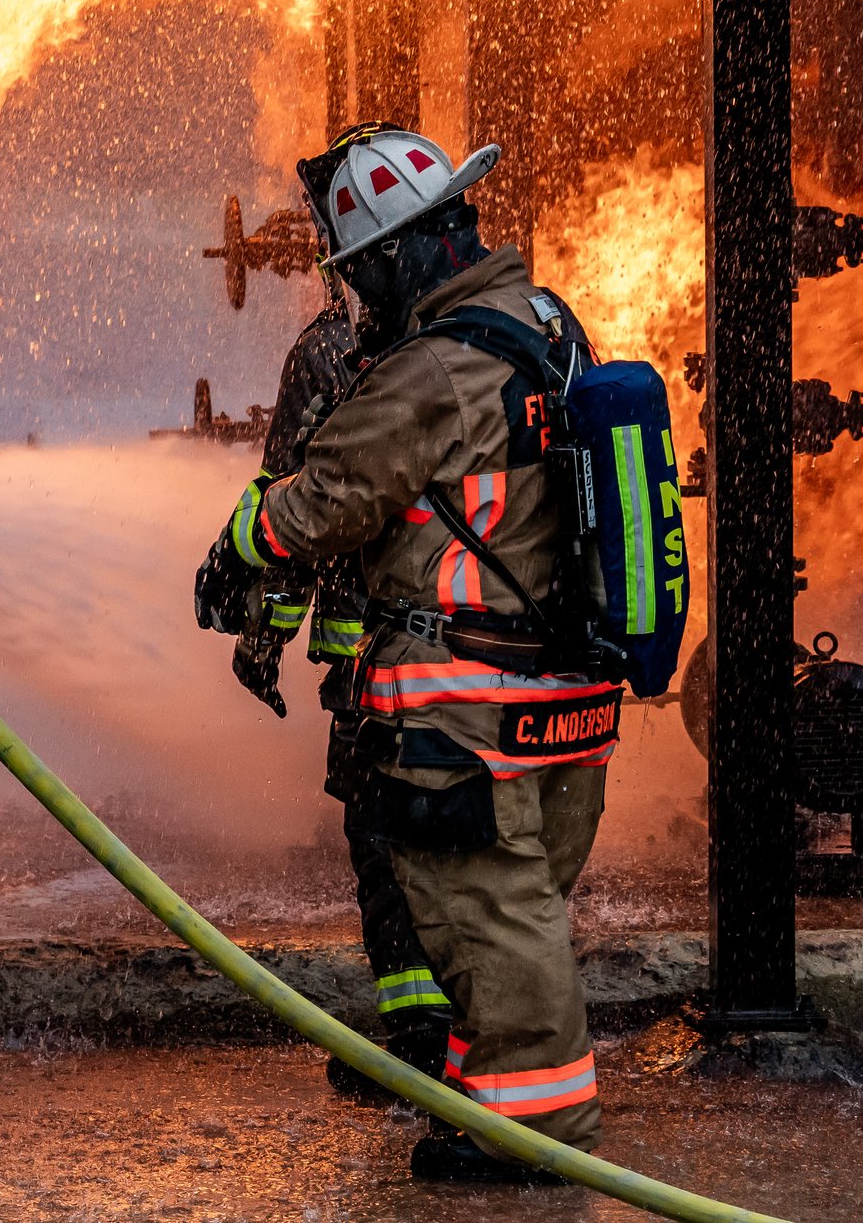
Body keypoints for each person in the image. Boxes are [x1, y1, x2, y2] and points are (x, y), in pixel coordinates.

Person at [198, 128, 615, 1186]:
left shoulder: (430, 367)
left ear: (393, 254)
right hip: (565, 692)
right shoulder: (549, 327)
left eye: (358, 273)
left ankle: (536, 1131)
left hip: (466, 700)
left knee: (487, 905)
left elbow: (328, 492)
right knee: (512, 907)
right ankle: (486, 1100)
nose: (353, 298)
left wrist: (240, 545)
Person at [200, 124, 452, 1099]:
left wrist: (260, 635)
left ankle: (423, 1041)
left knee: (386, 848)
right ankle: (465, 1039)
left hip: (378, 672)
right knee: (463, 844)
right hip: (483, 660)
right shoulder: (499, 340)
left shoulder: (332, 354)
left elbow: (291, 502)